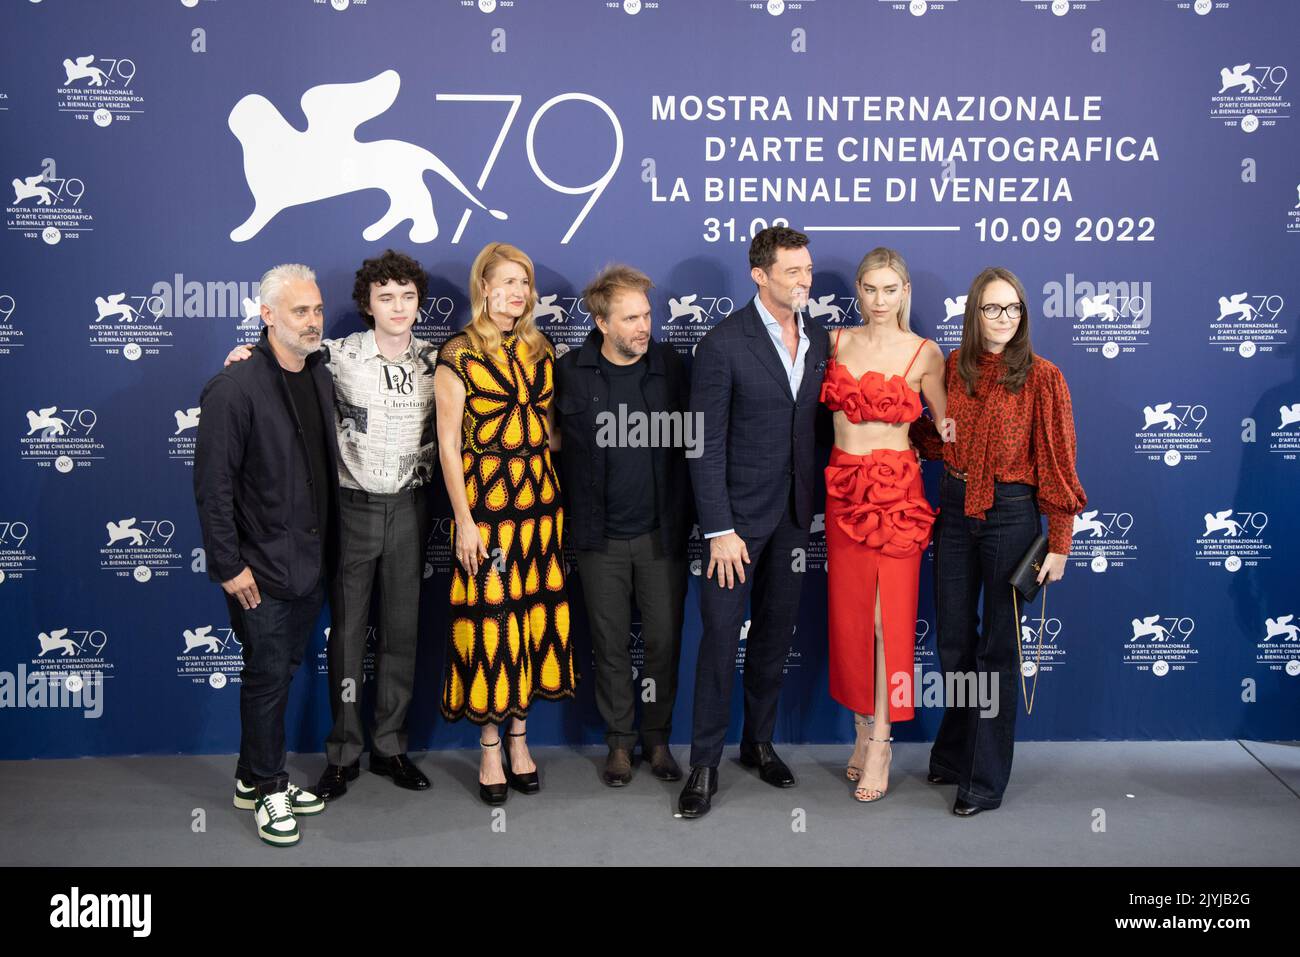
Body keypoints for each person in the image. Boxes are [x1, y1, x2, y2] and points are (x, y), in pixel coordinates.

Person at [226, 250, 439, 801]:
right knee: (346, 636)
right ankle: (343, 754)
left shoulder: (438, 362)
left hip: (412, 508)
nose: (398, 306)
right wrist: (244, 353)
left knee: (402, 634)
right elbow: (276, 361)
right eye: (386, 297)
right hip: (352, 510)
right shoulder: (333, 355)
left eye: (408, 296)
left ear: (420, 302)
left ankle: (390, 746)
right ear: (367, 304)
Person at [912, 266, 1086, 816]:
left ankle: (983, 781)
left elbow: (1058, 465)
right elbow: (940, 439)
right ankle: (956, 751)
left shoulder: (1043, 377)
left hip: (1012, 514)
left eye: (1013, 309)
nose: (1004, 318)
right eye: (992, 308)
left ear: (1023, 315)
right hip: (956, 510)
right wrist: (899, 430)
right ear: (974, 313)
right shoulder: (956, 371)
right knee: (956, 642)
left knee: (998, 652)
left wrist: (1059, 541)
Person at [678, 226, 830, 820]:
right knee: (721, 642)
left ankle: (758, 743)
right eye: (792, 272)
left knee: (773, 636)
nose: (804, 281)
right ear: (759, 275)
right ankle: (704, 764)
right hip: (735, 526)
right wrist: (718, 528)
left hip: (795, 519)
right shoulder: (722, 344)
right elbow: (702, 444)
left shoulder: (817, 340)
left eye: (808, 270)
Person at [194, 263, 337, 847]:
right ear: (267, 314)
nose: (312, 321)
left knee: (278, 672)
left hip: (311, 561)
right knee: (266, 678)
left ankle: (250, 778)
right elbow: (213, 486)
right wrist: (229, 566)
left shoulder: (320, 373)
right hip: (260, 568)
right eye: (299, 311)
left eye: (318, 310)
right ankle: (272, 786)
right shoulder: (234, 387)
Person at [434, 242, 576, 805]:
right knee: (490, 623)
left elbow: (547, 430)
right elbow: (447, 446)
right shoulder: (458, 353)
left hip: (539, 511)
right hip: (486, 512)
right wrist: (463, 522)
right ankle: (490, 747)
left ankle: (521, 740)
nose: (517, 292)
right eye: (507, 282)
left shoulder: (543, 351)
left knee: (530, 623)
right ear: (484, 287)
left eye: (525, 282)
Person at [555, 265, 693, 787]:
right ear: (601, 321)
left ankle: (655, 737)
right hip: (598, 538)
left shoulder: (672, 367)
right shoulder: (571, 370)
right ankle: (618, 742)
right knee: (610, 645)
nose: (643, 326)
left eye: (647, 315)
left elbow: (696, 446)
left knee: (661, 642)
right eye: (631, 317)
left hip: (661, 535)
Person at [820, 247, 945, 802]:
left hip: (897, 495)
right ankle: (862, 728)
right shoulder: (835, 342)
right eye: (870, 289)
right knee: (850, 618)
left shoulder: (925, 353)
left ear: (906, 291)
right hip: (844, 492)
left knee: (885, 622)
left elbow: (948, 427)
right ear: (859, 290)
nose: (878, 300)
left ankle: (884, 741)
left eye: (889, 289)